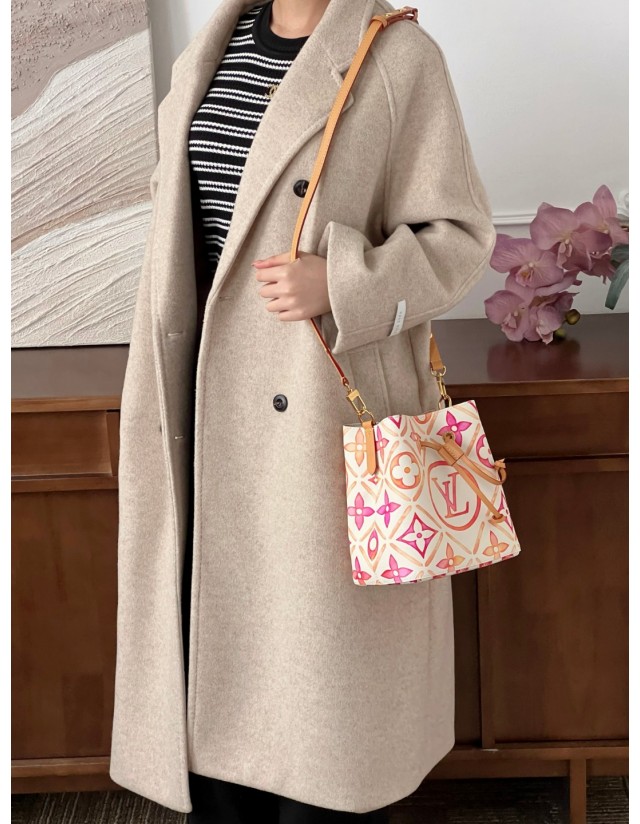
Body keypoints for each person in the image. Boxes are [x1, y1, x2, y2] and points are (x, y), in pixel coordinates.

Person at [109, 0, 497, 821]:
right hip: (199, 409)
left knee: (319, 723)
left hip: (315, 424)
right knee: (214, 695)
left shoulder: (397, 57)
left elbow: (461, 237)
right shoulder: (209, 52)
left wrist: (343, 282)